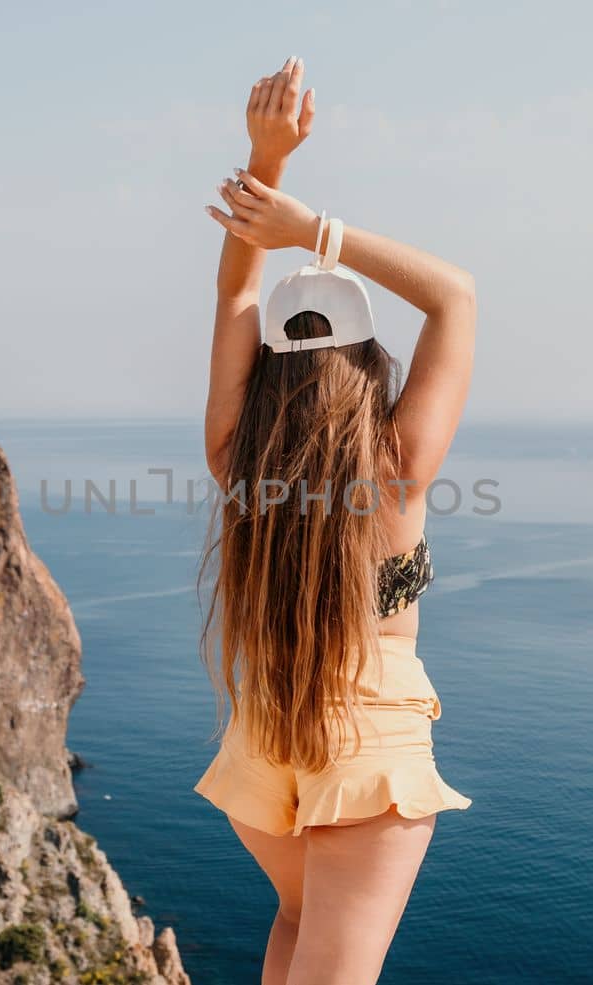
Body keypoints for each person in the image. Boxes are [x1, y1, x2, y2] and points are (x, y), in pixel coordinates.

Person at [192, 56, 478, 985]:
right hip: (370, 749)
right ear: (371, 367)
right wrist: (312, 227)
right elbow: (455, 296)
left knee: (297, 922)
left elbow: (240, 297)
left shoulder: (237, 460)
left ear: (267, 374)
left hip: (263, 739)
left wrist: (263, 159)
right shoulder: (395, 471)